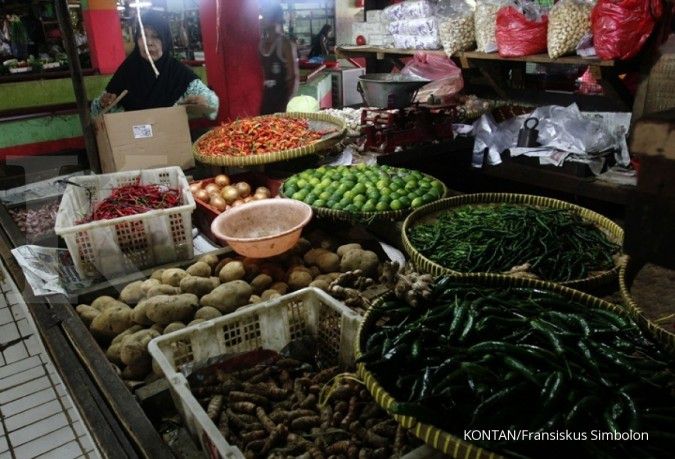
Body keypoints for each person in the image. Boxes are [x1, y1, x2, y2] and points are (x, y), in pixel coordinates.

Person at [91, 11, 218, 119]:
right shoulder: (127, 70)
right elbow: (96, 112)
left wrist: (202, 102)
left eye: (156, 36)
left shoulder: (177, 72)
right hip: (131, 143)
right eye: (143, 36)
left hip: (171, 139)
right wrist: (103, 103)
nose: (149, 43)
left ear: (165, 40)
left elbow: (213, 103)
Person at [258, 3, 299, 115]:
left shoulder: (285, 44)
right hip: (264, 101)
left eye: (265, 14)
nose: (262, 17)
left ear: (275, 18)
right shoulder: (260, 44)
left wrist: (287, 104)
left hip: (280, 102)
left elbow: (293, 78)